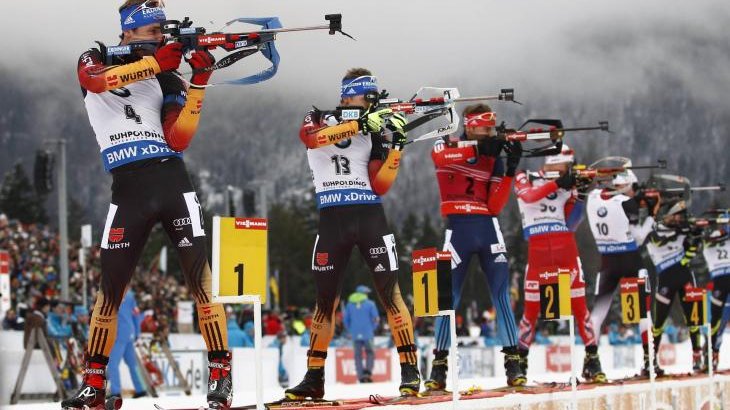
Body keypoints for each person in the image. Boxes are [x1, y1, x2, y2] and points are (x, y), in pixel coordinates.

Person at [63, 1, 231, 408]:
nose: (159, 38)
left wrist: (199, 83)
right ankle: (93, 385)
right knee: (110, 290)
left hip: (171, 180)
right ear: (129, 31)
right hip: (127, 188)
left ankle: (220, 375)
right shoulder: (97, 56)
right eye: (152, 31)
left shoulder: (168, 76)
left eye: (162, 31)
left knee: (200, 282)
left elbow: (179, 138)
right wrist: (155, 64)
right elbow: (96, 81)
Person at [285, 68, 420, 400]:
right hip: (332, 219)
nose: (372, 104)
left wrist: (396, 147)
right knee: (324, 303)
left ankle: (410, 371)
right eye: (367, 97)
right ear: (347, 97)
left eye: (374, 99)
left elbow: (381, 185)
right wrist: (358, 124)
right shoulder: (317, 116)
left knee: (392, 296)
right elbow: (311, 138)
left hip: (369, 215)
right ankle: (314, 377)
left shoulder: (374, 131)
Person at [426, 104, 525, 389]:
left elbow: (494, 205)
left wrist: (509, 170)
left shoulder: (493, 158)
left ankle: (513, 363)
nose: (489, 133)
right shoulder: (445, 143)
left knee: (502, 296)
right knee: (448, 300)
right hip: (456, 230)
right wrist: (479, 150)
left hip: (487, 227)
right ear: (469, 126)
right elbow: (441, 158)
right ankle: (439, 367)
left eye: (492, 128)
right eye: (484, 128)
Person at [514, 144, 607, 383]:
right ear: (551, 162)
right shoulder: (526, 177)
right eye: (564, 165)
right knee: (531, 311)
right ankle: (520, 361)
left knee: (579, 308)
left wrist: (581, 194)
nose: (567, 169)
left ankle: (592, 358)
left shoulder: (569, 184)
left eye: (568, 167)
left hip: (565, 248)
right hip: (538, 252)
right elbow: (528, 196)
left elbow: (572, 223)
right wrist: (558, 184)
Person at [585, 168, 658, 372]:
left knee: (598, 313)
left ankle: (590, 361)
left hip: (607, 261)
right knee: (644, 313)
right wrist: (651, 214)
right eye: (633, 187)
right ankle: (650, 360)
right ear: (626, 186)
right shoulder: (628, 203)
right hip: (630, 259)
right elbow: (640, 237)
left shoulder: (592, 198)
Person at [644, 199, 703, 375]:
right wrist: (680, 231)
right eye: (675, 216)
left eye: (680, 217)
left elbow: (693, 249)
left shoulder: (682, 229)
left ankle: (697, 356)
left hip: (684, 276)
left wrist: (696, 235)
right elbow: (659, 241)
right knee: (659, 322)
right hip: (665, 279)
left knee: (694, 320)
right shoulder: (654, 229)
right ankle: (651, 361)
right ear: (667, 215)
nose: (678, 219)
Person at [107, 290, 146, 403]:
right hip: (130, 332)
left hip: (118, 334)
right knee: (132, 364)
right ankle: (140, 389)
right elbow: (136, 314)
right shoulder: (130, 294)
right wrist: (137, 333)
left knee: (113, 364)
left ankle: (115, 392)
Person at [701, 223, 730, 370]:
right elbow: (706, 242)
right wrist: (722, 233)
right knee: (718, 323)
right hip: (720, 281)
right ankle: (711, 354)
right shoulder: (713, 238)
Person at [343, 285, 379, 383]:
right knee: (370, 352)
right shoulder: (371, 304)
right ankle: (368, 372)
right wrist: (373, 329)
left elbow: (346, 320)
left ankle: (360, 376)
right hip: (368, 333)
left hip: (355, 334)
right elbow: (376, 319)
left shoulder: (349, 305)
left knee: (357, 355)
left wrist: (350, 330)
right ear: (364, 293)